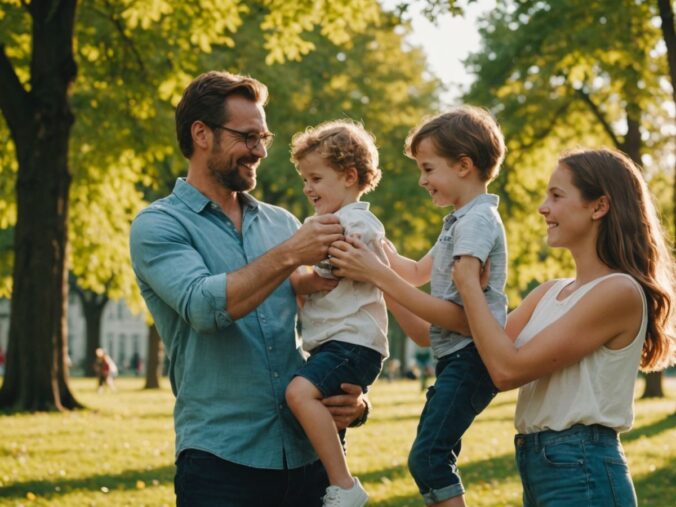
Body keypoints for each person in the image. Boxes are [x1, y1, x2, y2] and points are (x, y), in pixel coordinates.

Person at [129, 71, 369, 507]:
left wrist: (352, 399)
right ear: (201, 134)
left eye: (264, 137)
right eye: (247, 137)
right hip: (222, 463)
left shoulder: (283, 223)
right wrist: (291, 254)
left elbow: (330, 313)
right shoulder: (159, 225)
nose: (259, 150)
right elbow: (204, 307)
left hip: (308, 459)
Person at [450, 148, 675, 506]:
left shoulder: (619, 292)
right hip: (540, 466)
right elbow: (475, 351)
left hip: (582, 469)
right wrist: (380, 273)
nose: (543, 207)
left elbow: (506, 371)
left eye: (556, 196)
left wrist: (469, 287)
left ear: (598, 207)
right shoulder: (549, 293)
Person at [329, 106, 508, 507]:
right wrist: (377, 250)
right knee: (428, 458)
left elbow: (461, 320)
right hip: (456, 358)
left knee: (429, 458)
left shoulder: (478, 222)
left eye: (428, 169)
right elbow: (412, 275)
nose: (422, 180)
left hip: (472, 357)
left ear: (463, 166)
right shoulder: (458, 223)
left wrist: (377, 273)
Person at [285, 120, 388, 507]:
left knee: (299, 393)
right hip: (339, 343)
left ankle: (345, 485)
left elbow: (326, 271)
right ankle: (335, 489)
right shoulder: (331, 221)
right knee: (328, 424)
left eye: (316, 178)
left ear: (349, 176)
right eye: (305, 179)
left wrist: (295, 278)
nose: (308, 188)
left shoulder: (353, 222)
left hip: (351, 344)